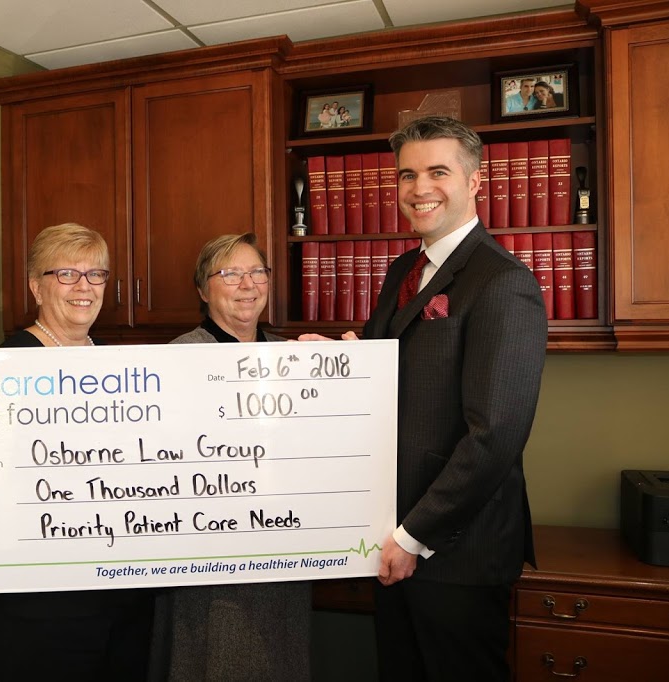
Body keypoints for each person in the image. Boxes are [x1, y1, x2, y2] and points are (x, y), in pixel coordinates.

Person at [337, 116, 546, 681]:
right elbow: (394, 367)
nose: (419, 188)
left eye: (437, 172)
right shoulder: (404, 269)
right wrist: (340, 359)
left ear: (474, 181)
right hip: (392, 536)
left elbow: (494, 435)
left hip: (455, 551)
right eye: (407, 175)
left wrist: (414, 537)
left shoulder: (503, 282)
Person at [0, 222, 156, 681]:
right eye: (67, 274)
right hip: (38, 603)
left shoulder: (119, 364)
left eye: (96, 274)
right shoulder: (3, 366)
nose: (84, 287)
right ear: (36, 286)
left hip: (119, 595)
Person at [160, 233, 310, 681]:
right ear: (203, 290)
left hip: (285, 553)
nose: (247, 284)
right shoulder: (178, 358)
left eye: (257, 272)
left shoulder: (294, 358)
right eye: (230, 274)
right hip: (214, 562)